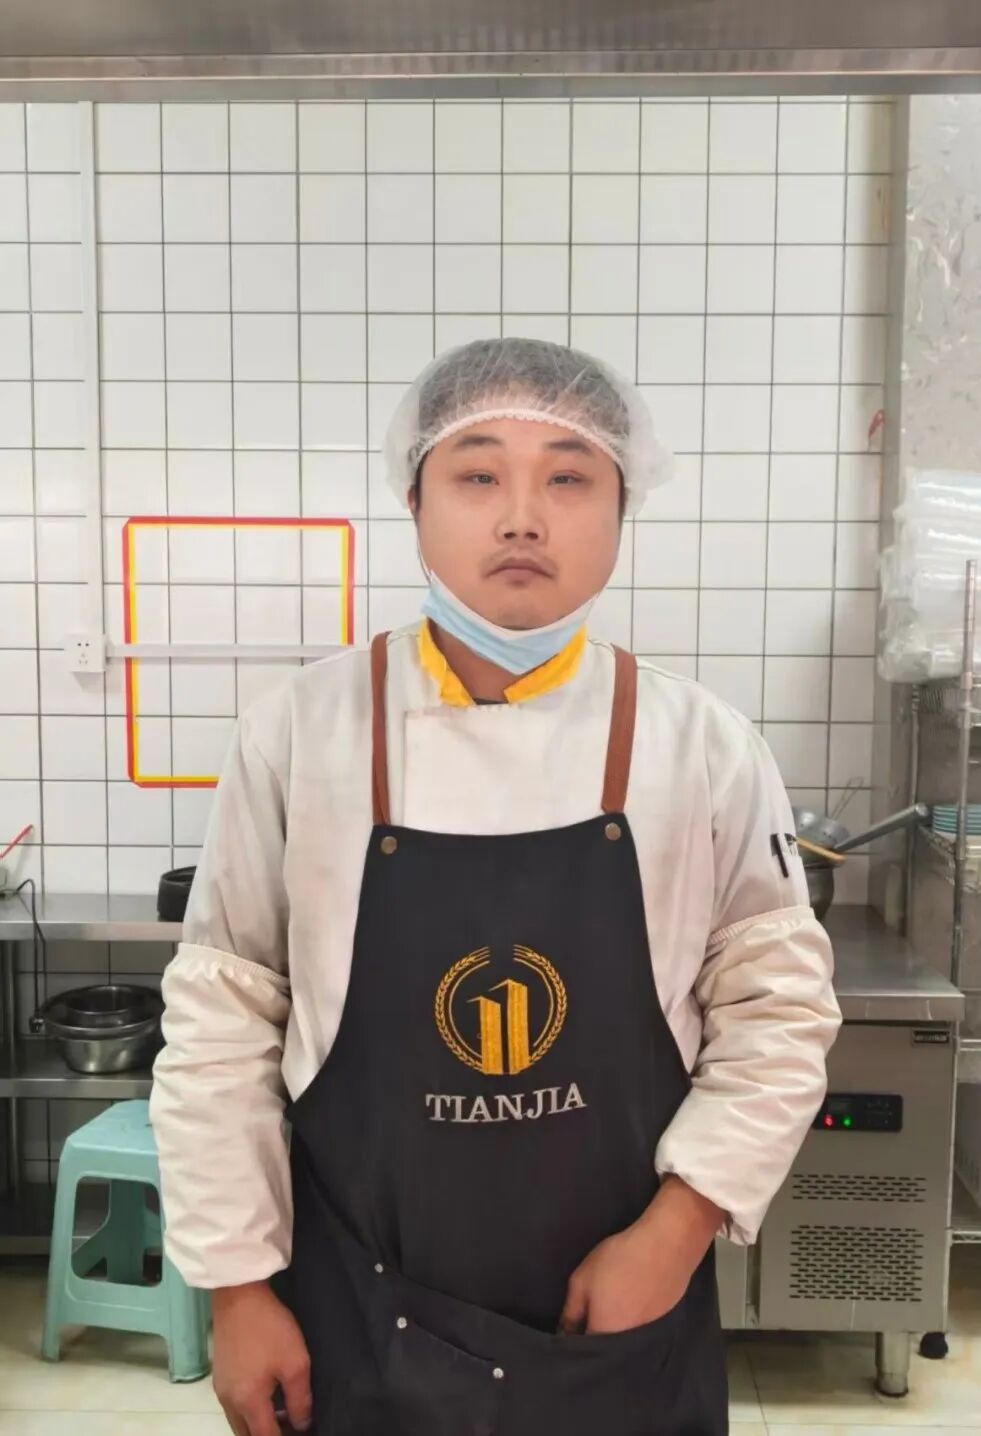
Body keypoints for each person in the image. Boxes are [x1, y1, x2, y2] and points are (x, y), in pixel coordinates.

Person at [149, 336, 842, 1436]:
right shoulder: (301, 732)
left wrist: (675, 1233)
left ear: (622, 507)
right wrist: (235, 1289)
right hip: (355, 1316)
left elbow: (780, 1012)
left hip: (622, 1307)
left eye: (569, 477)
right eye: (477, 474)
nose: (522, 517)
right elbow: (222, 1021)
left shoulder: (701, 745)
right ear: (414, 500)